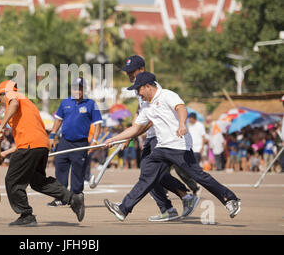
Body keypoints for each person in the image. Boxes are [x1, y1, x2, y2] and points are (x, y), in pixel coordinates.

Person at [103, 72, 241, 222]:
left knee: (199, 176)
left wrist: (182, 124)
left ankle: (230, 199)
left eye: (139, 89)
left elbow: (181, 108)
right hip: (161, 148)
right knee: (146, 175)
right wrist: (114, 139)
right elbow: (136, 129)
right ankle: (123, 209)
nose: (138, 93)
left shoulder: (167, 95)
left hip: (178, 146)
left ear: (148, 86)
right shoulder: (147, 107)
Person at [0, 80, 85, 226]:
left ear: (4, 93)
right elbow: (24, 142)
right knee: (38, 182)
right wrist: (4, 154)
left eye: (0, 99)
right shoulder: (27, 105)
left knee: (13, 180)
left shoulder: (14, 96)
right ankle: (73, 198)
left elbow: (13, 104)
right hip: (40, 146)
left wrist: (1, 127)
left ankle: (26, 215)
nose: (1, 103)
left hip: (30, 146)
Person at [120, 55, 199, 221]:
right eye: (127, 72)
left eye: (131, 71)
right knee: (150, 174)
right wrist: (130, 134)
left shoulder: (152, 88)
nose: (129, 75)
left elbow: (150, 119)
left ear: (142, 69)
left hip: (160, 136)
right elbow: (140, 112)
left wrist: (134, 133)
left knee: (150, 174)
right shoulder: (138, 88)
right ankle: (177, 202)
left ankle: (172, 205)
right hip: (150, 137)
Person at [47, 78, 102, 207]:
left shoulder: (91, 104)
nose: (77, 90)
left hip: (81, 143)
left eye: (80, 88)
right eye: (75, 88)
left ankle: (76, 197)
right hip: (64, 142)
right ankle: (61, 198)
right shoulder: (65, 102)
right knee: (60, 168)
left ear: (84, 89)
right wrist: (52, 136)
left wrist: (94, 141)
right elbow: (58, 120)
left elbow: (98, 125)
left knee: (78, 171)